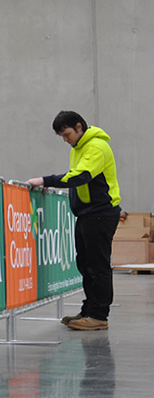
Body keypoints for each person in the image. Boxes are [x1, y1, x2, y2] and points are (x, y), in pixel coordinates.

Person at [27, 111, 121, 331]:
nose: (65, 140)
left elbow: (81, 176)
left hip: (100, 214)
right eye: (62, 136)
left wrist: (44, 180)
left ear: (79, 127)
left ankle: (99, 316)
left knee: (98, 266)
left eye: (67, 134)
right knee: (86, 265)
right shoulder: (80, 148)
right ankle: (89, 310)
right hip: (88, 214)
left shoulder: (96, 146)